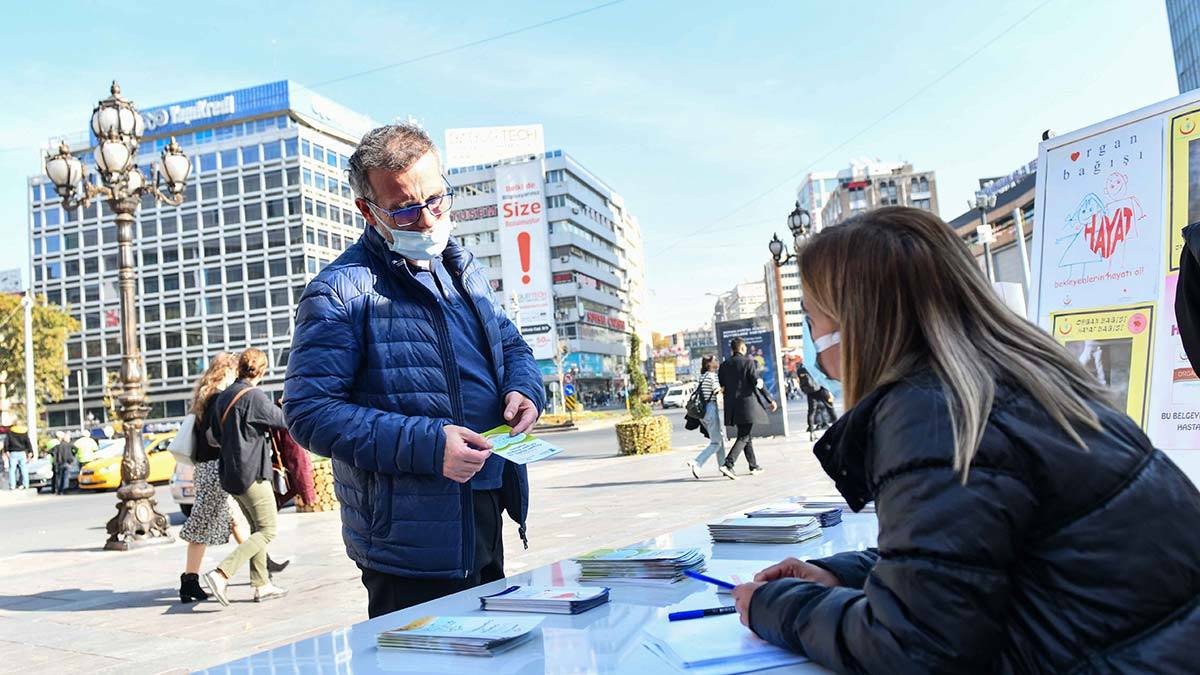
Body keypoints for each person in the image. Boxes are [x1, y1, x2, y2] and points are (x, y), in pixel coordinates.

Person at [730, 206, 1200, 673]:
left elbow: (914, 648)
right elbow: (968, 557)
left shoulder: (931, 413)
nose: (813, 338)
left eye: (812, 319)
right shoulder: (1022, 380)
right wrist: (842, 573)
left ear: (854, 324)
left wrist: (777, 607)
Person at [284, 123, 545, 619]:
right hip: (408, 541)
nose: (426, 220)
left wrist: (524, 388)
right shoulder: (339, 292)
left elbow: (511, 345)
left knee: (496, 645)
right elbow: (308, 412)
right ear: (368, 210)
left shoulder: (463, 269)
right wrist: (429, 445)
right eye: (404, 208)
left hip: (483, 503)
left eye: (435, 200)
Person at [201, 349, 290, 606]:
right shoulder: (254, 396)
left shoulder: (224, 396)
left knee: (256, 529)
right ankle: (221, 574)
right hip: (252, 473)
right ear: (262, 370)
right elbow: (283, 421)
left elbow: (214, 436)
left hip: (230, 474)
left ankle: (262, 585)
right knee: (268, 530)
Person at [179, 352, 244, 604]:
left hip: (206, 469)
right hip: (213, 469)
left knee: (233, 518)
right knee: (201, 526)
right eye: (234, 372)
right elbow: (214, 436)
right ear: (226, 371)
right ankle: (189, 581)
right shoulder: (217, 397)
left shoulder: (204, 397)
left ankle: (261, 562)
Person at [717, 338, 776, 479]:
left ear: (732, 349)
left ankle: (753, 466)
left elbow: (722, 385)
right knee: (743, 436)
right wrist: (770, 399)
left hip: (732, 407)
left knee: (745, 435)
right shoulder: (748, 362)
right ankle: (728, 464)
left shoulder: (724, 365)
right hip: (747, 406)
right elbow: (758, 383)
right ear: (742, 348)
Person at [685, 355, 724, 479]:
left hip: (703, 413)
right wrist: (724, 390)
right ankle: (697, 462)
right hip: (711, 409)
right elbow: (717, 390)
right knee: (716, 442)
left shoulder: (702, 376)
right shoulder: (712, 376)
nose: (717, 361)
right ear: (709, 364)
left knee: (719, 438)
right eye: (715, 360)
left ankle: (723, 465)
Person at [6, 424, 30, 490]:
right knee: (24, 469)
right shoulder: (24, 432)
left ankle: (12, 486)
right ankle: (26, 485)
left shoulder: (10, 432)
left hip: (13, 453)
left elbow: (6, 442)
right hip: (22, 452)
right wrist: (30, 451)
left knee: (12, 470)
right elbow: (28, 442)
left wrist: (6, 450)